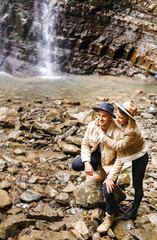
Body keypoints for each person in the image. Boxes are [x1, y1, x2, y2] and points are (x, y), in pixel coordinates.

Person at [72, 102, 123, 234]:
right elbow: (84, 144)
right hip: (98, 157)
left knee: (108, 190)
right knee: (76, 165)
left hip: (111, 163)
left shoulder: (118, 131)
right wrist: (87, 162)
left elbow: (121, 158)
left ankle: (109, 217)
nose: (100, 119)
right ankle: (99, 170)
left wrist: (111, 177)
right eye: (98, 115)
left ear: (111, 117)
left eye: (104, 116)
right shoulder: (91, 126)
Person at [96, 101, 148, 222]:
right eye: (116, 115)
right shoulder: (120, 120)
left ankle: (134, 210)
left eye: (120, 118)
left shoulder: (132, 131)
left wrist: (102, 136)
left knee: (137, 184)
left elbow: (118, 146)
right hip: (130, 150)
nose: (116, 119)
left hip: (139, 156)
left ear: (128, 119)